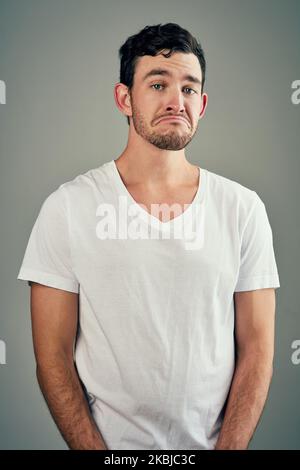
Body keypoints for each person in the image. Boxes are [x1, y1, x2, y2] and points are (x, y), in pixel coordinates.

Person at [17, 22, 280, 450]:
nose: (177, 101)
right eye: (158, 84)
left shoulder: (242, 209)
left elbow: (258, 351)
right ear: (125, 98)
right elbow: (52, 359)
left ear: (204, 103)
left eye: (190, 89)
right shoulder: (68, 208)